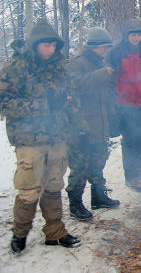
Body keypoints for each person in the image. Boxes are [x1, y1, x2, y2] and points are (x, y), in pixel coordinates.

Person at [0, 21, 81, 253]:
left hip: (56, 136)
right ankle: (19, 234)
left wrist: (76, 123)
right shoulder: (16, 67)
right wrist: (43, 105)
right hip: (29, 139)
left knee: (54, 185)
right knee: (29, 189)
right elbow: (4, 101)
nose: (52, 50)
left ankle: (55, 232)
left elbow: (71, 96)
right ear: (35, 45)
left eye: (54, 45)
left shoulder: (58, 68)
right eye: (47, 45)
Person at [65, 28, 121, 221]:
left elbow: (105, 94)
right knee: (80, 166)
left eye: (107, 47)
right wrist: (102, 74)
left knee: (98, 161)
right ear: (94, 47)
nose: (106, 50)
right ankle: (75, 204)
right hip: (80, 127)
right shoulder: (76, 64)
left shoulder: (101, 63)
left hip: (100, 124)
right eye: (104, 47)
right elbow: (76, 86)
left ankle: (98, 197)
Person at [106, 19, 141, 192]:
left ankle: (138, 166)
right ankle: (130, 176)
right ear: (126, 35)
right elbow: (109, 82)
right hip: (125, 105)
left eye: (138, 35)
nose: (136, 38)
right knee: (130, 141)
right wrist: (113, 106)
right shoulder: (115, 53)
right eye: (133, 35)